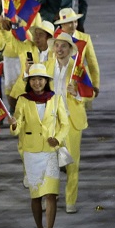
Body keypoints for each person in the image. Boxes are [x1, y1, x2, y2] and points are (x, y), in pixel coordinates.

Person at [10, 64, 69, 228]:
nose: (37, 83)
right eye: (34, 79)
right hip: (31, 152)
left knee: (51, 193)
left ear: (46, 81)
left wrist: (57, 139)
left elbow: (65, 124)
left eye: (41, 79)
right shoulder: (23, 100)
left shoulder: (56, 99)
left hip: (50, 152)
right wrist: (13, 124)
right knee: (36, 196)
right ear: (29, 82)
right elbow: (17, 126)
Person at [44, 32, 86, 214]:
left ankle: (70, 200)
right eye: (57, 46)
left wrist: (77, 93)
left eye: (63, 46)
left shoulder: (78, 69)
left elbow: (88, 93)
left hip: (71, 120)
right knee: (49, 162)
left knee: (72, 163)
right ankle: (50, 197)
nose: (59, 49)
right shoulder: (46, 67)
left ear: (70, 49)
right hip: (52, 122)